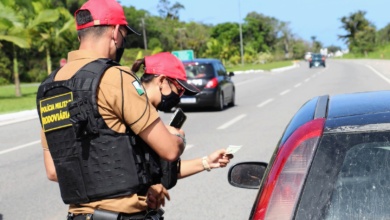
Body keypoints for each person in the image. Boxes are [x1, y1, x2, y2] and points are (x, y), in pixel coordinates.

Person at [36, 0, 192, 219]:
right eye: (124, 38)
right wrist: (177, 138)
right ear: (116, 32)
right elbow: (169, 150)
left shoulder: (49, 87)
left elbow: (54, 171)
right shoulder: (115, 77)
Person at [131, 52, 234, 206]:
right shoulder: (133, 112)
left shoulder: (150, 115)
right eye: (179, 90)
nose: (179, 97)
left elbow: (162, 170)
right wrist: (177, 138)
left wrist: (208, 162)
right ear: (162, 81)